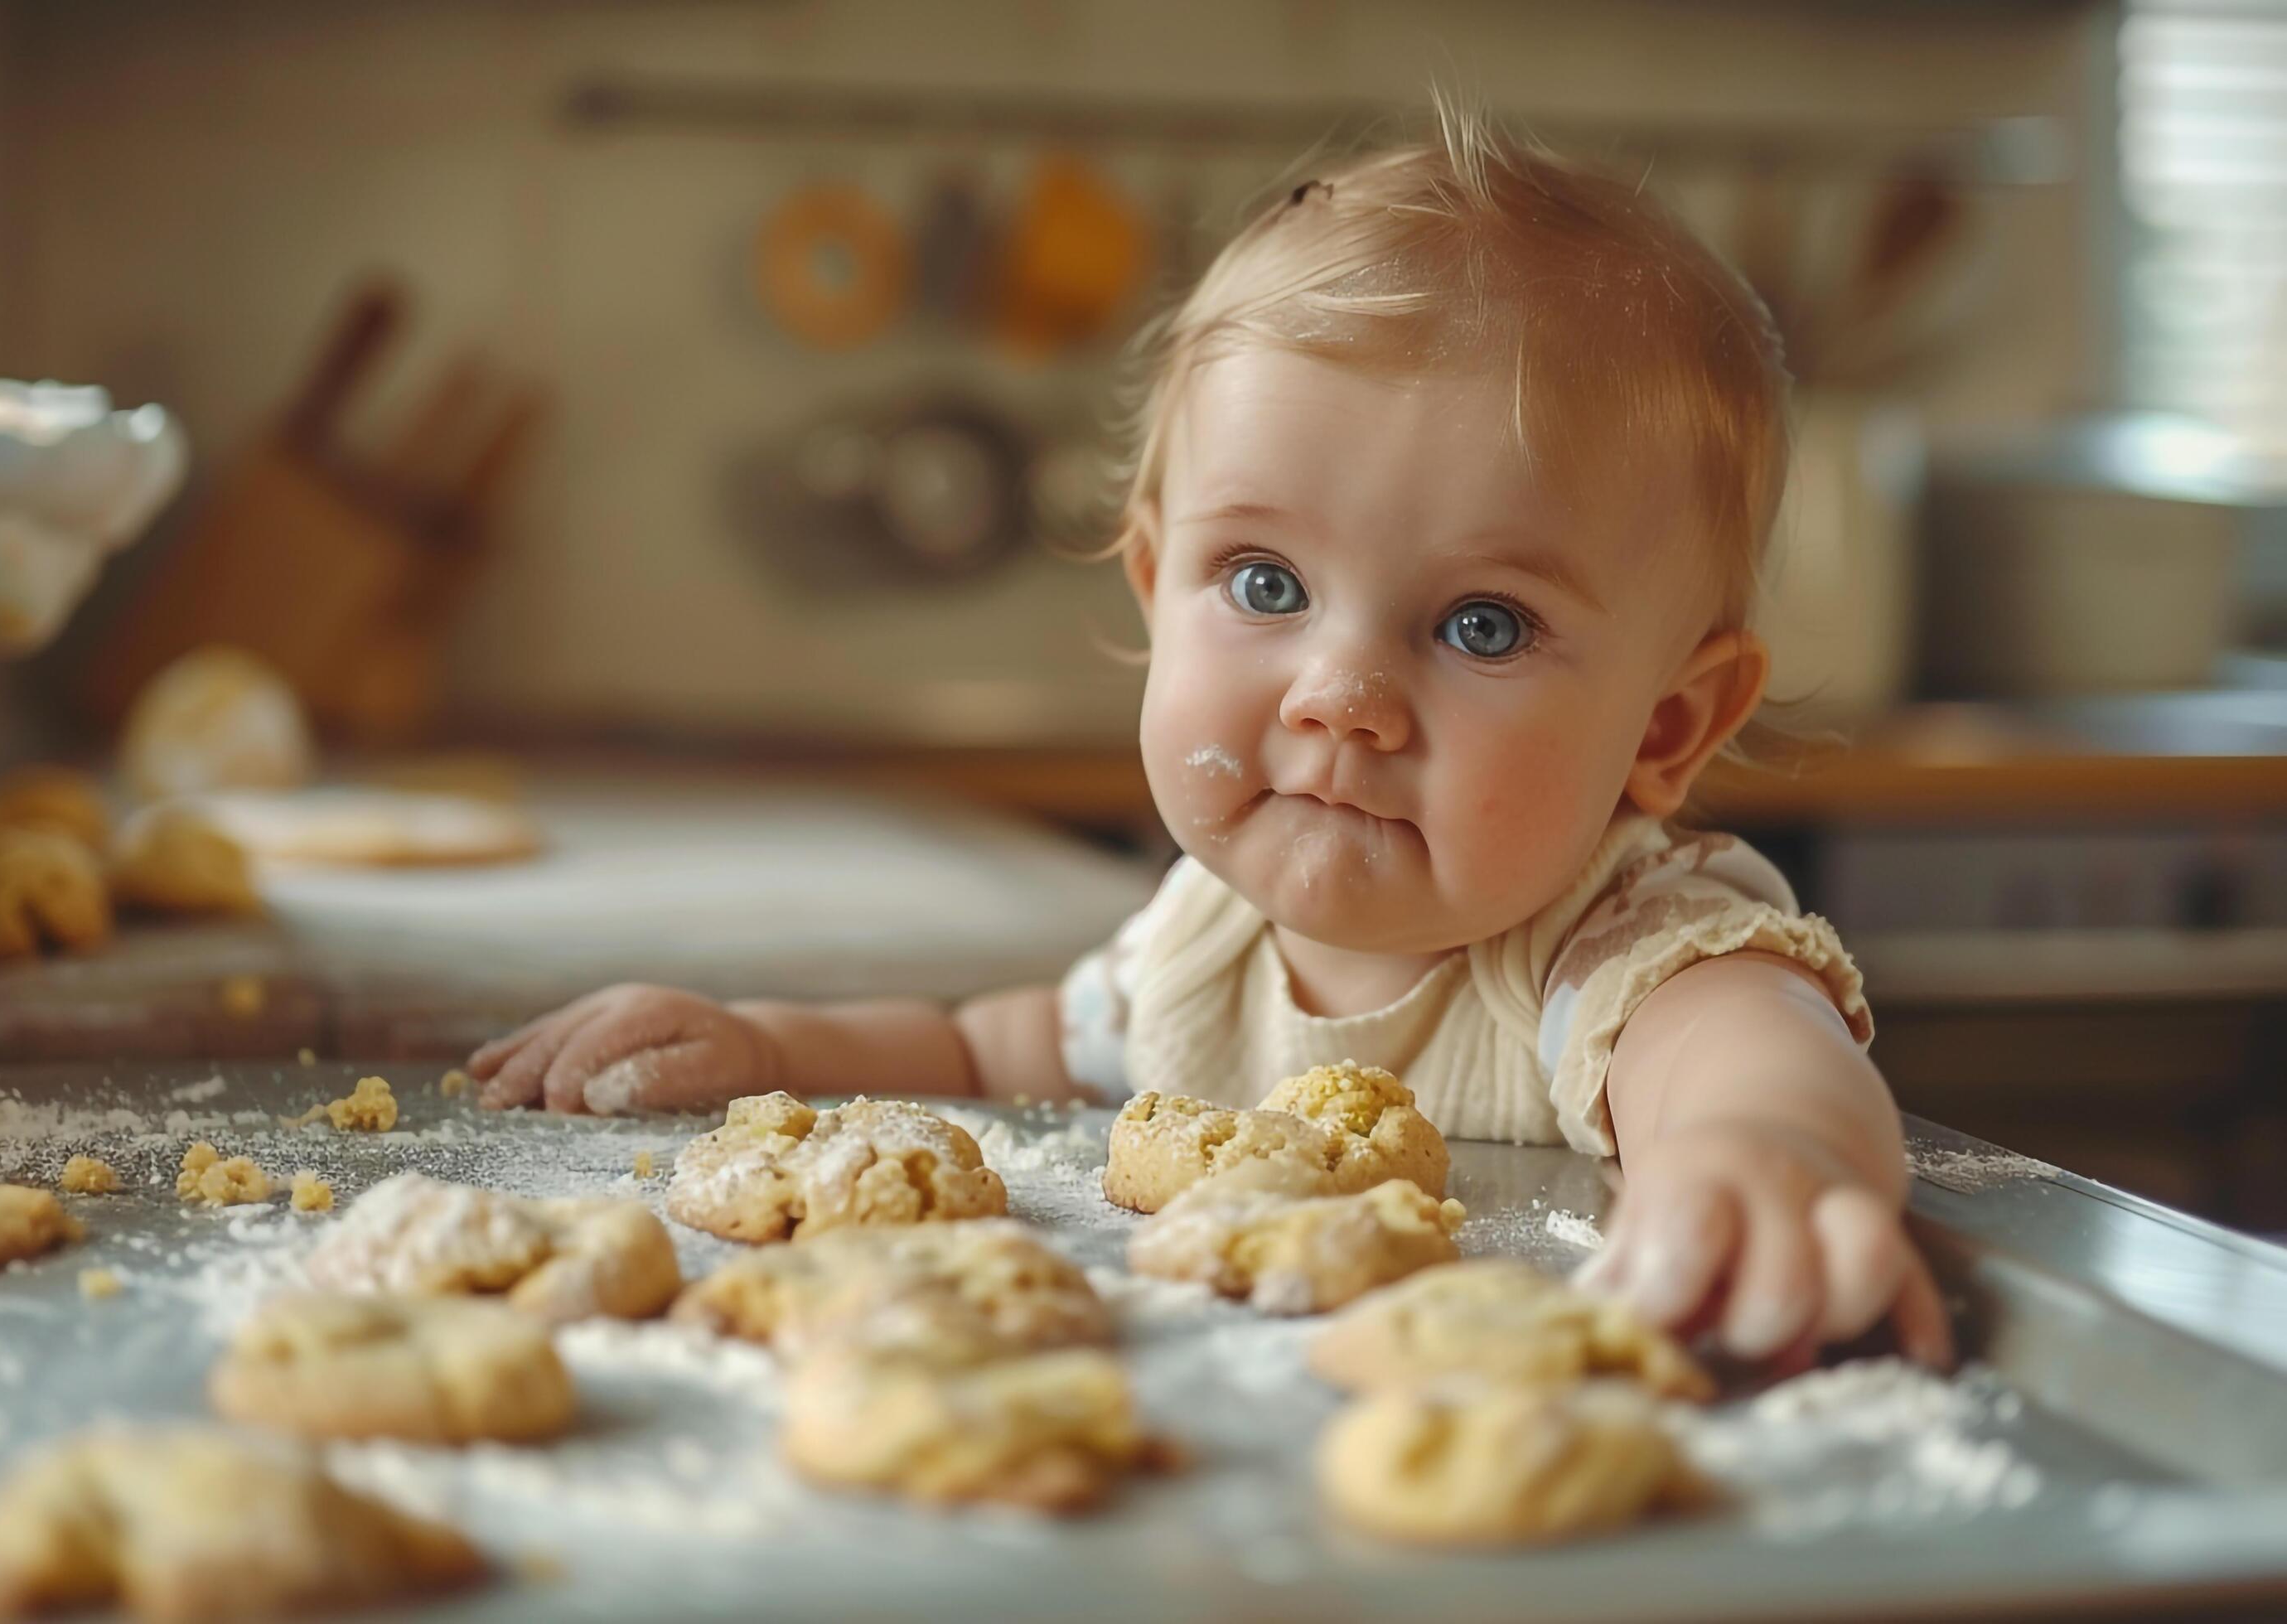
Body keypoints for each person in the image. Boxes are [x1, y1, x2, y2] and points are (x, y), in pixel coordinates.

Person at [467, 114, 1949, 1369]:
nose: (1339, 694)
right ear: (1153, 590)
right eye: (1266, 587)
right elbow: (1003, 1046)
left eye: (1482, 626)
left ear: (1670, 723)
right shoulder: (1205, 945)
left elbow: (1749, 1058)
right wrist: (769, 1045)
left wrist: (1772, 1159)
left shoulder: (1608, 954)